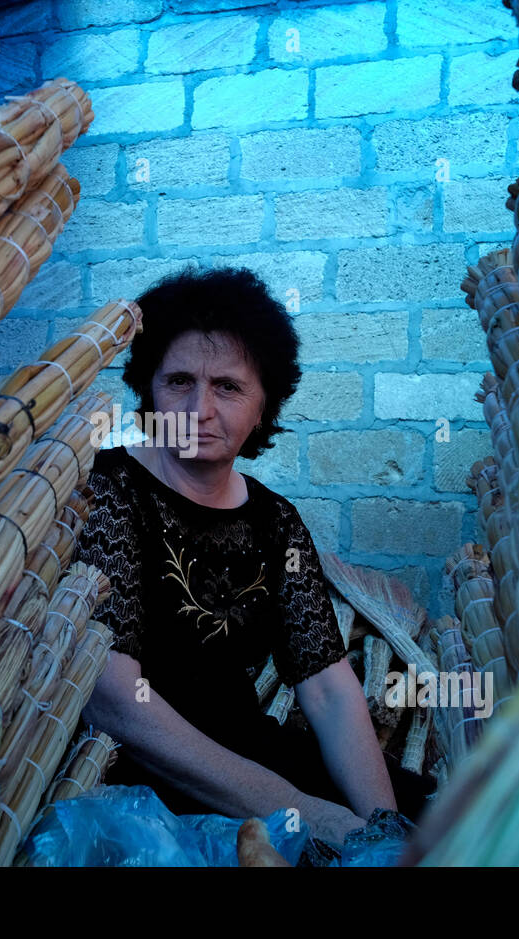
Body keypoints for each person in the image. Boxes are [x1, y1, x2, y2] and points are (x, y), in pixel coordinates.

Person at [78, 266, 434, 851]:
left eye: (228, 386)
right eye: (178, 382)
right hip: (141, 771)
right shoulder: (111, 492)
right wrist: (306, 815)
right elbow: (115, 699)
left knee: (432, 825)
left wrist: (381, 827)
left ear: (264, 404)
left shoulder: (275, 522)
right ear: (148, 391)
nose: (200, 409)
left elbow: (327, 688)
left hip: (249, 750)